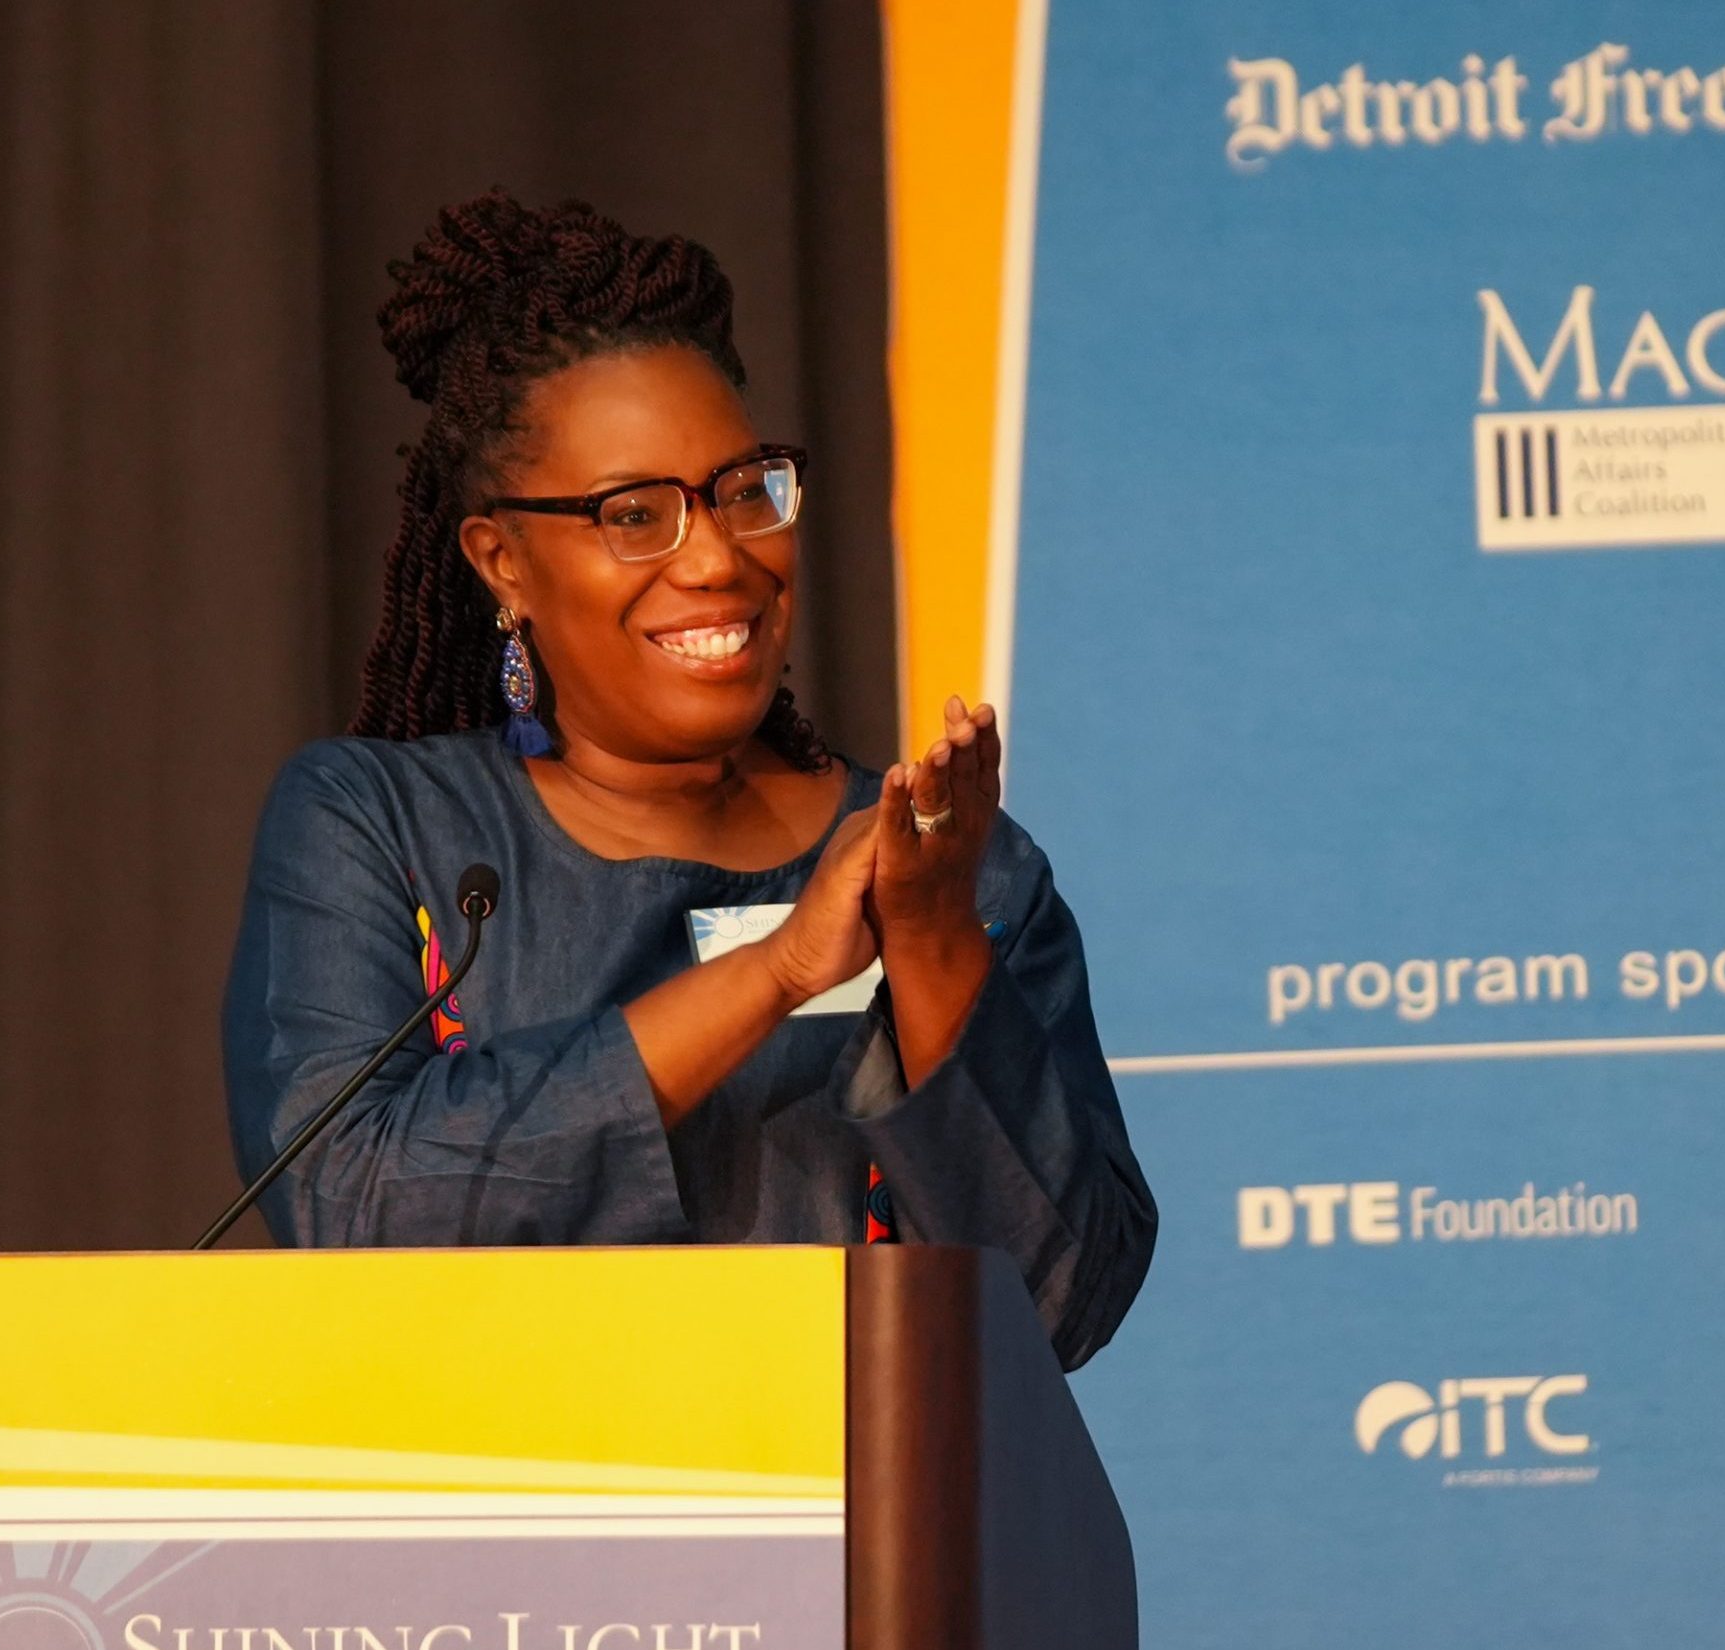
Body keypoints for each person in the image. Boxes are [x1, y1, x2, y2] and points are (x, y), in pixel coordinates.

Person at [222, 192, 1154, 1368]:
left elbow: (1065, 1301)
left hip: (869, 1530)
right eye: (634, 514)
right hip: (493, 1524)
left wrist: (923, 937)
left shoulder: (945, 863)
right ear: (501, 559)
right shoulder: (382, 826)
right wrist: (779, 970)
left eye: (743, 490)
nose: (717, 556)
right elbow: (351, 1206)